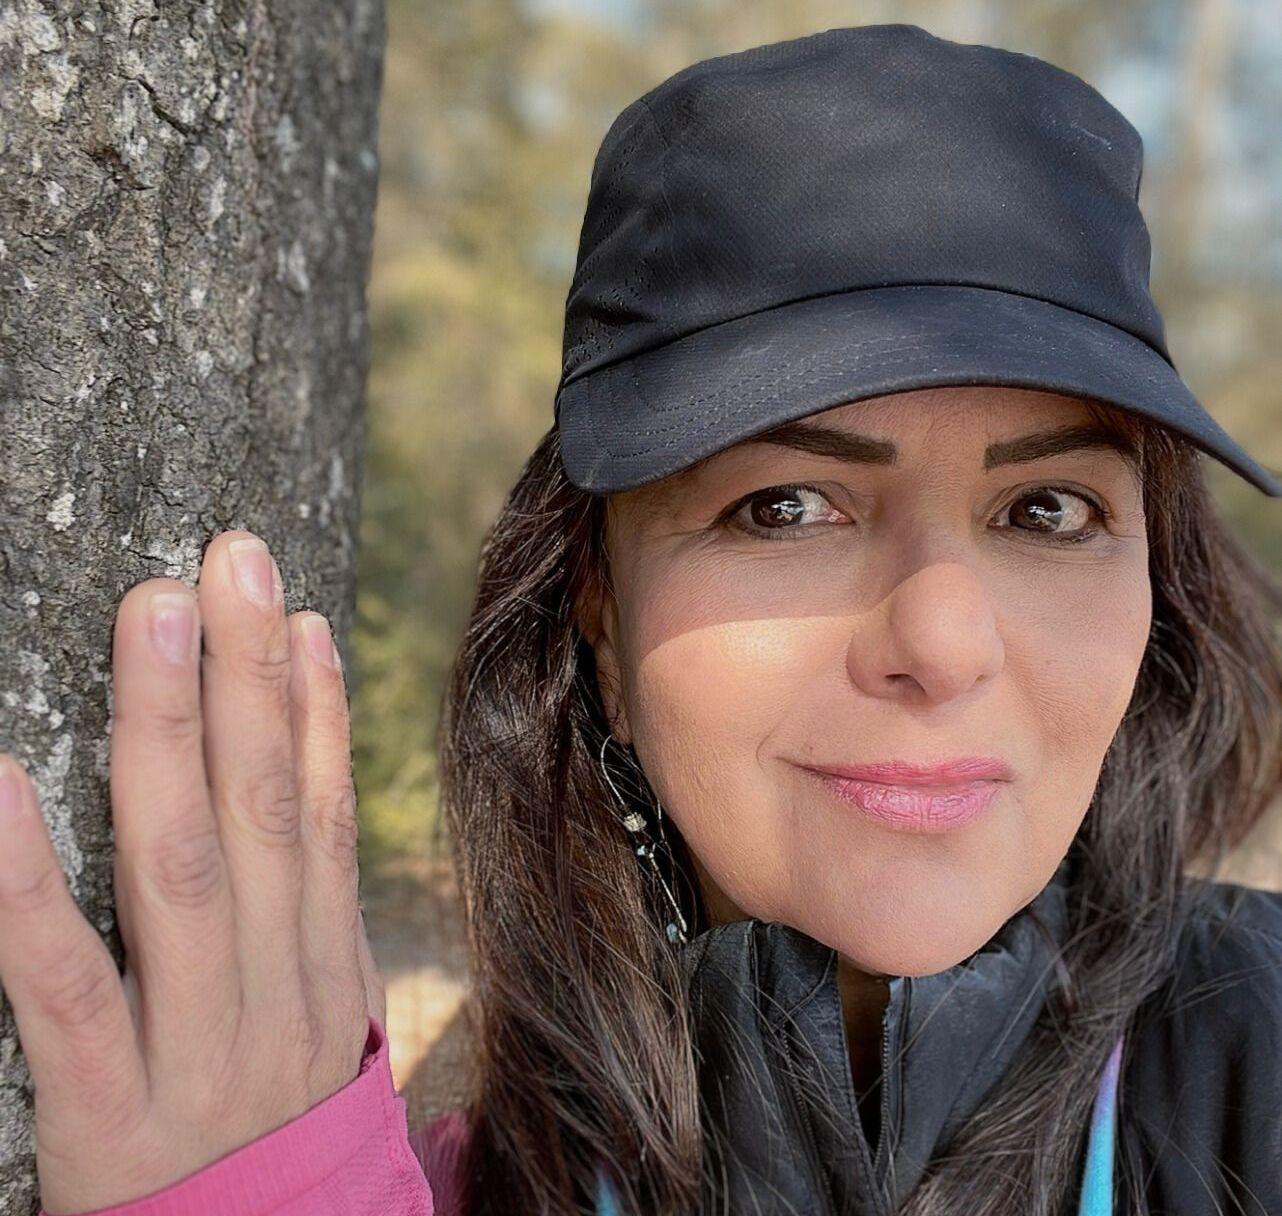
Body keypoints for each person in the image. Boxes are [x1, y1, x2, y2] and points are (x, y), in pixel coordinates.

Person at [2, 22, 1280, 1216]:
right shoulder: (400, 1176)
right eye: (784, 507)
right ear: (599, 615)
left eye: (1047, 510)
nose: (944, 643)